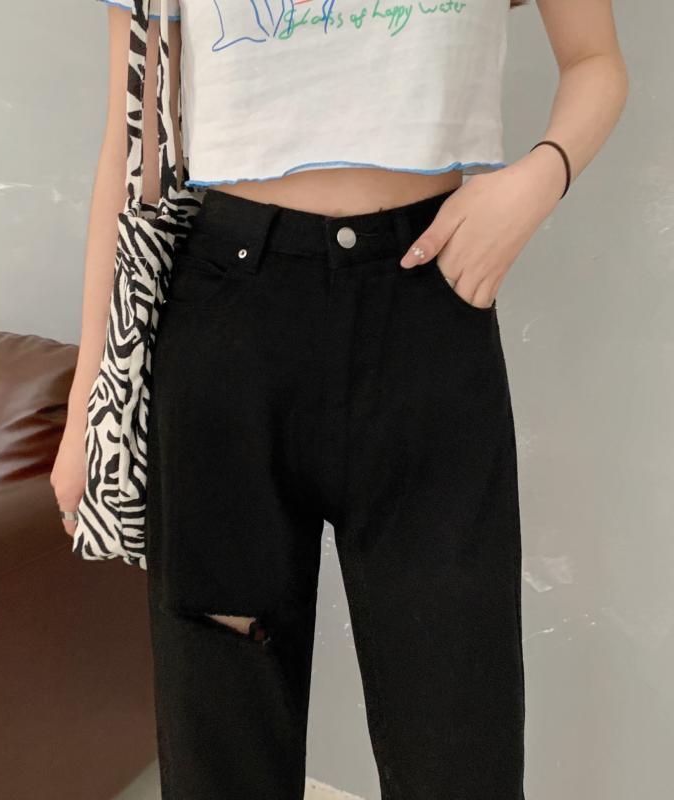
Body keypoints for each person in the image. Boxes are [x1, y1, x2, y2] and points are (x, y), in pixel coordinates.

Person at [52, 1, 628, 797]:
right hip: (227, 335)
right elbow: (131, 136)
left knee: (462, 748)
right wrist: (88, 400)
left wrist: (537, 180)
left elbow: (597, 62)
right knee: (222, 751)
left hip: (428, 316)